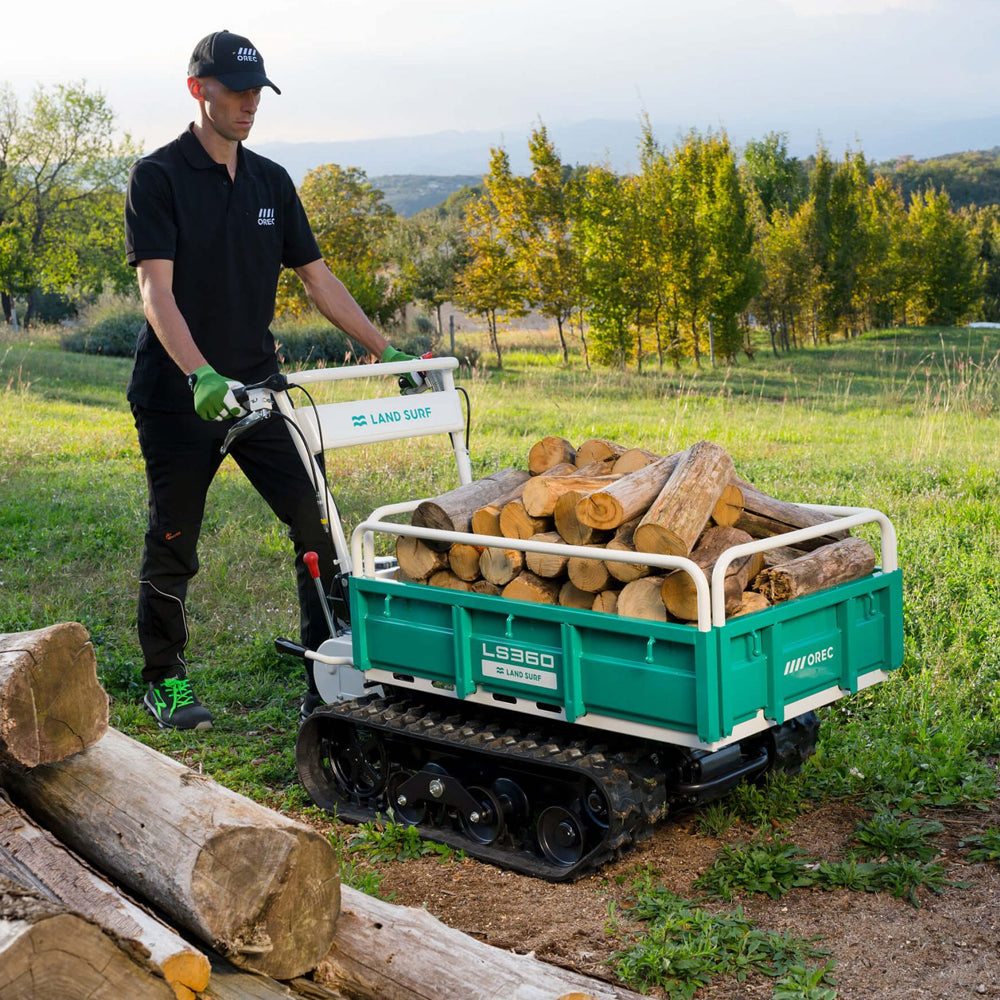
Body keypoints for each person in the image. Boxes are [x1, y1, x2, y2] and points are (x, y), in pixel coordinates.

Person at [124, 29, 418, 731]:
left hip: (260, 390)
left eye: (258, 91)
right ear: (199, 90)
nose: (250, 104)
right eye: (236, 91)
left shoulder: (270, 182)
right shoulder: (157, 176)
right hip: (180, 395)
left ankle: (329, 670)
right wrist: (198, 373)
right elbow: (154, 293)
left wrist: (387, 352)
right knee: (175, 539)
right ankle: (163, 678)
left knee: (316, 523)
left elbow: (317, 280)